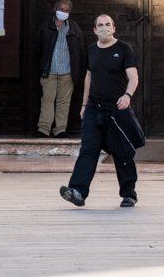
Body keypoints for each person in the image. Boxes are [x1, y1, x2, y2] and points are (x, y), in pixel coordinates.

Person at [60, 14, 144, 208]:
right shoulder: (91, 50)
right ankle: (77, 191)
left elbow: (133, 77)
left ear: (114, 28)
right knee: (88, 150)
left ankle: (129, 194)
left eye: (108, 24)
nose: (104, 28)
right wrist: (83, 105)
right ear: (95, 30)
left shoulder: (124, 49)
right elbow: (88, 77)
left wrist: (127, 96)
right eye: (100, 25)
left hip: (117, 109)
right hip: (93, 109)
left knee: (123, 152)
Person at [34, 0, 84, 138]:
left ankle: (60, 129)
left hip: (67, 72)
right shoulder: (46, 27)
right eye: (61, 9)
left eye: (67, 10)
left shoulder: (74, 28)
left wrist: (77, 70)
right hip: (49, 70)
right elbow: (38, 48)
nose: (64, 12)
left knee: (64, 102)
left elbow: (80, 51)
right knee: (47, 100)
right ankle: (44, 129)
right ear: (55, 9)